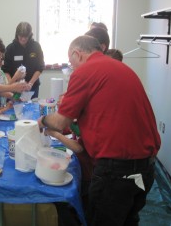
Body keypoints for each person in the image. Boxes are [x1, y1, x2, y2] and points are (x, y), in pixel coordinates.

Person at [38, 35, 161, 226]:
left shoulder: (85, 71)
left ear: (76, 54)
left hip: (117, 171)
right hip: (146, 166)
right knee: (128, 220)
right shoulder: (119, 67)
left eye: (71, 63)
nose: (72, 69)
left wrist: (43, 120)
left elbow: (61, 122)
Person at [2, 22, 45, 99]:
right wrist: (11, 84)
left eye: (26, 36)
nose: (23, 39)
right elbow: (6, 70)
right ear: (17, 34)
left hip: (32, 87)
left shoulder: (36, 46)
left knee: (31, 108)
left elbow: (40, 67)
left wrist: (30, 84)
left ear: (30, 35)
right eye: (21, 36)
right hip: (14, 87)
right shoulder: (10, 48)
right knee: (14, 108)